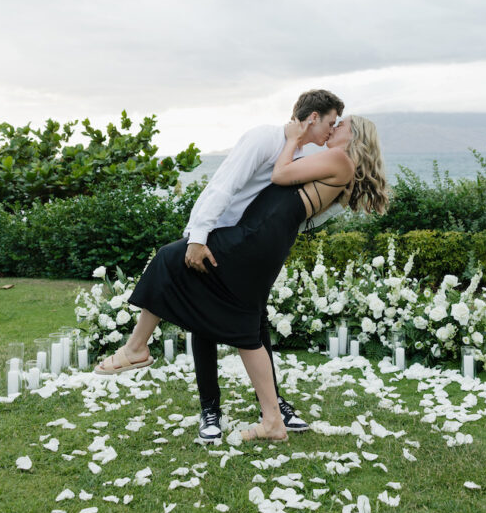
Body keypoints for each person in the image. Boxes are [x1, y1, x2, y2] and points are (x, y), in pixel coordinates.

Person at [96, 112, 388, 442]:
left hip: (254, 236)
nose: (334, 128)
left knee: (169, 259)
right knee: (248, 329)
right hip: (267, 241)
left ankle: (136, 348)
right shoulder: (339, 169)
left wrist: (293, 138)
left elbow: (280, 174)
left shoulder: (339, 159)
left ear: (355, 137)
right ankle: (273, 420)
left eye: (341, 125)